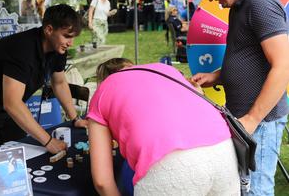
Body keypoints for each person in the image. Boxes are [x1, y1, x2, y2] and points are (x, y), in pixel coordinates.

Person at [191, 0, 289, 195]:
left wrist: (253, 119)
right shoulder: (238, 6)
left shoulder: (260, 4)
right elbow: (247, 57)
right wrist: (215, 76)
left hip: (261, 121)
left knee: (257, 190)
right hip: (244, 119)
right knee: (243, 187)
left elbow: (283, 65)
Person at [86, 58, 240, 196]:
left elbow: (102, 182)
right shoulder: (165, 70)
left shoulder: (103, 91)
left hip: (171, 167)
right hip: (223, 153)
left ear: (103, 80)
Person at [0, 4, 88, 154]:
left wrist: (76, 118)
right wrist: (49, 142)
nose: (70, 43)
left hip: (6, 110)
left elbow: (59, 83)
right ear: (49, 30)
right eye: (67, 36)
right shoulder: (22, 50)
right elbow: (12, 103)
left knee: (20, 154)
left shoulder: (58, 49)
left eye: (73, 37)